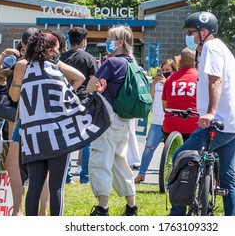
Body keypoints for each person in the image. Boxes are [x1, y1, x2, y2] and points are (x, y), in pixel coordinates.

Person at [169, 12, 235, 216]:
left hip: (217, 124)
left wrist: (210, 112)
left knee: (180, 157)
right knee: (226, 179)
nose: (189, 36)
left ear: (204, 32)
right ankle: (232, 220)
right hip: (233, 126)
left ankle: (177, 214)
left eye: (191, 32)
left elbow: (215, 80)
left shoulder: (210, 47)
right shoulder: (223, 49)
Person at [17, 31, 102, 216]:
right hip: (56, 136)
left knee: (33, 188)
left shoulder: (26, 69)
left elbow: (19, 100)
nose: (58, 53)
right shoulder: (53, 70)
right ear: (48, 51)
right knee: (56, 186)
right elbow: (69, 101)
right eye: (56, 50)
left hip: (32, 137)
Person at [85, 25, 140, 216]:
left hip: (107, 120)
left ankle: (102, 208)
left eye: (110, 39)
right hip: (124, 120)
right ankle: (131, 206)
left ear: (120, 43)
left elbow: (90, 87)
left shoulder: (112, 63)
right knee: (120, 162)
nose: (107, 42)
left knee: (101, 160)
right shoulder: (133, 63)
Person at [0, 27, 38, 215]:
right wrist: (5, 53)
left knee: (20, 155)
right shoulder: (17, 61)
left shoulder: (36, 62)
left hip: (25, 112)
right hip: (17, 113)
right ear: (23, 44)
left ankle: (19, 203)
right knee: (16, 153)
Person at [60, 27, 99, 184]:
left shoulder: (60, 59)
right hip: (83, 101)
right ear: (83, 41)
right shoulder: (89, 58)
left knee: (65, 139)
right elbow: (94, 81)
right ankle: (85, 177)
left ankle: (67, 176)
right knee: (86, 140)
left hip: (64, 101)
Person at [135, 59, 178, 183]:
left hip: (170, 121)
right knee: (149, 147)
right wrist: (154, 83)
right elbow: (151, 97)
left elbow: (173, 98)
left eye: (167, 70)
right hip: (157, 121)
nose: (164, 73)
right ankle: (141, 174)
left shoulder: (174, 83)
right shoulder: (158, 83)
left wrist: (167, 84)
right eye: (162, 70)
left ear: (174, 71)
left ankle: (171, 177)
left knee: (172, 151)